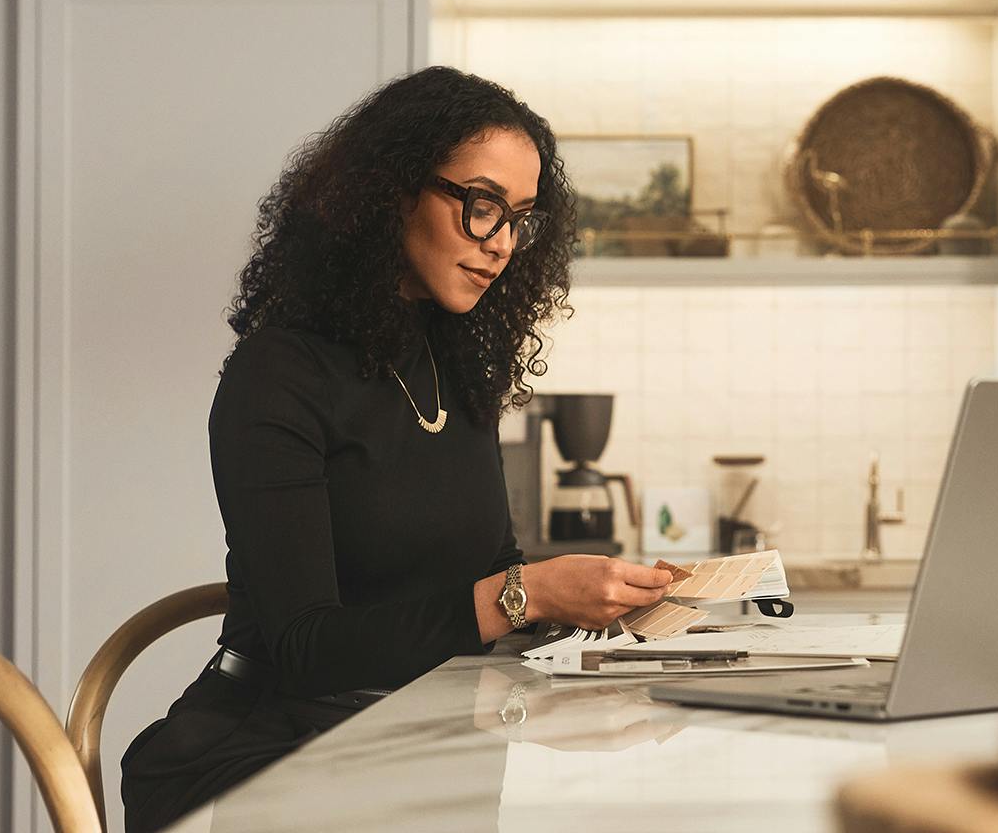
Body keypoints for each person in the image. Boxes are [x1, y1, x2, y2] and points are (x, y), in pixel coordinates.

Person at [121, 66, 673, 831]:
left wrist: (601, 608)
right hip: (268, 752)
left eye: (518, 217)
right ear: (392, 192)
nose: (501, 244)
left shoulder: (455, 368)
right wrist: (529, 594)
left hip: (415, 738)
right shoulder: (278, 375)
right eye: (481, 206)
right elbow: (306, 649)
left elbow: (485, 575)